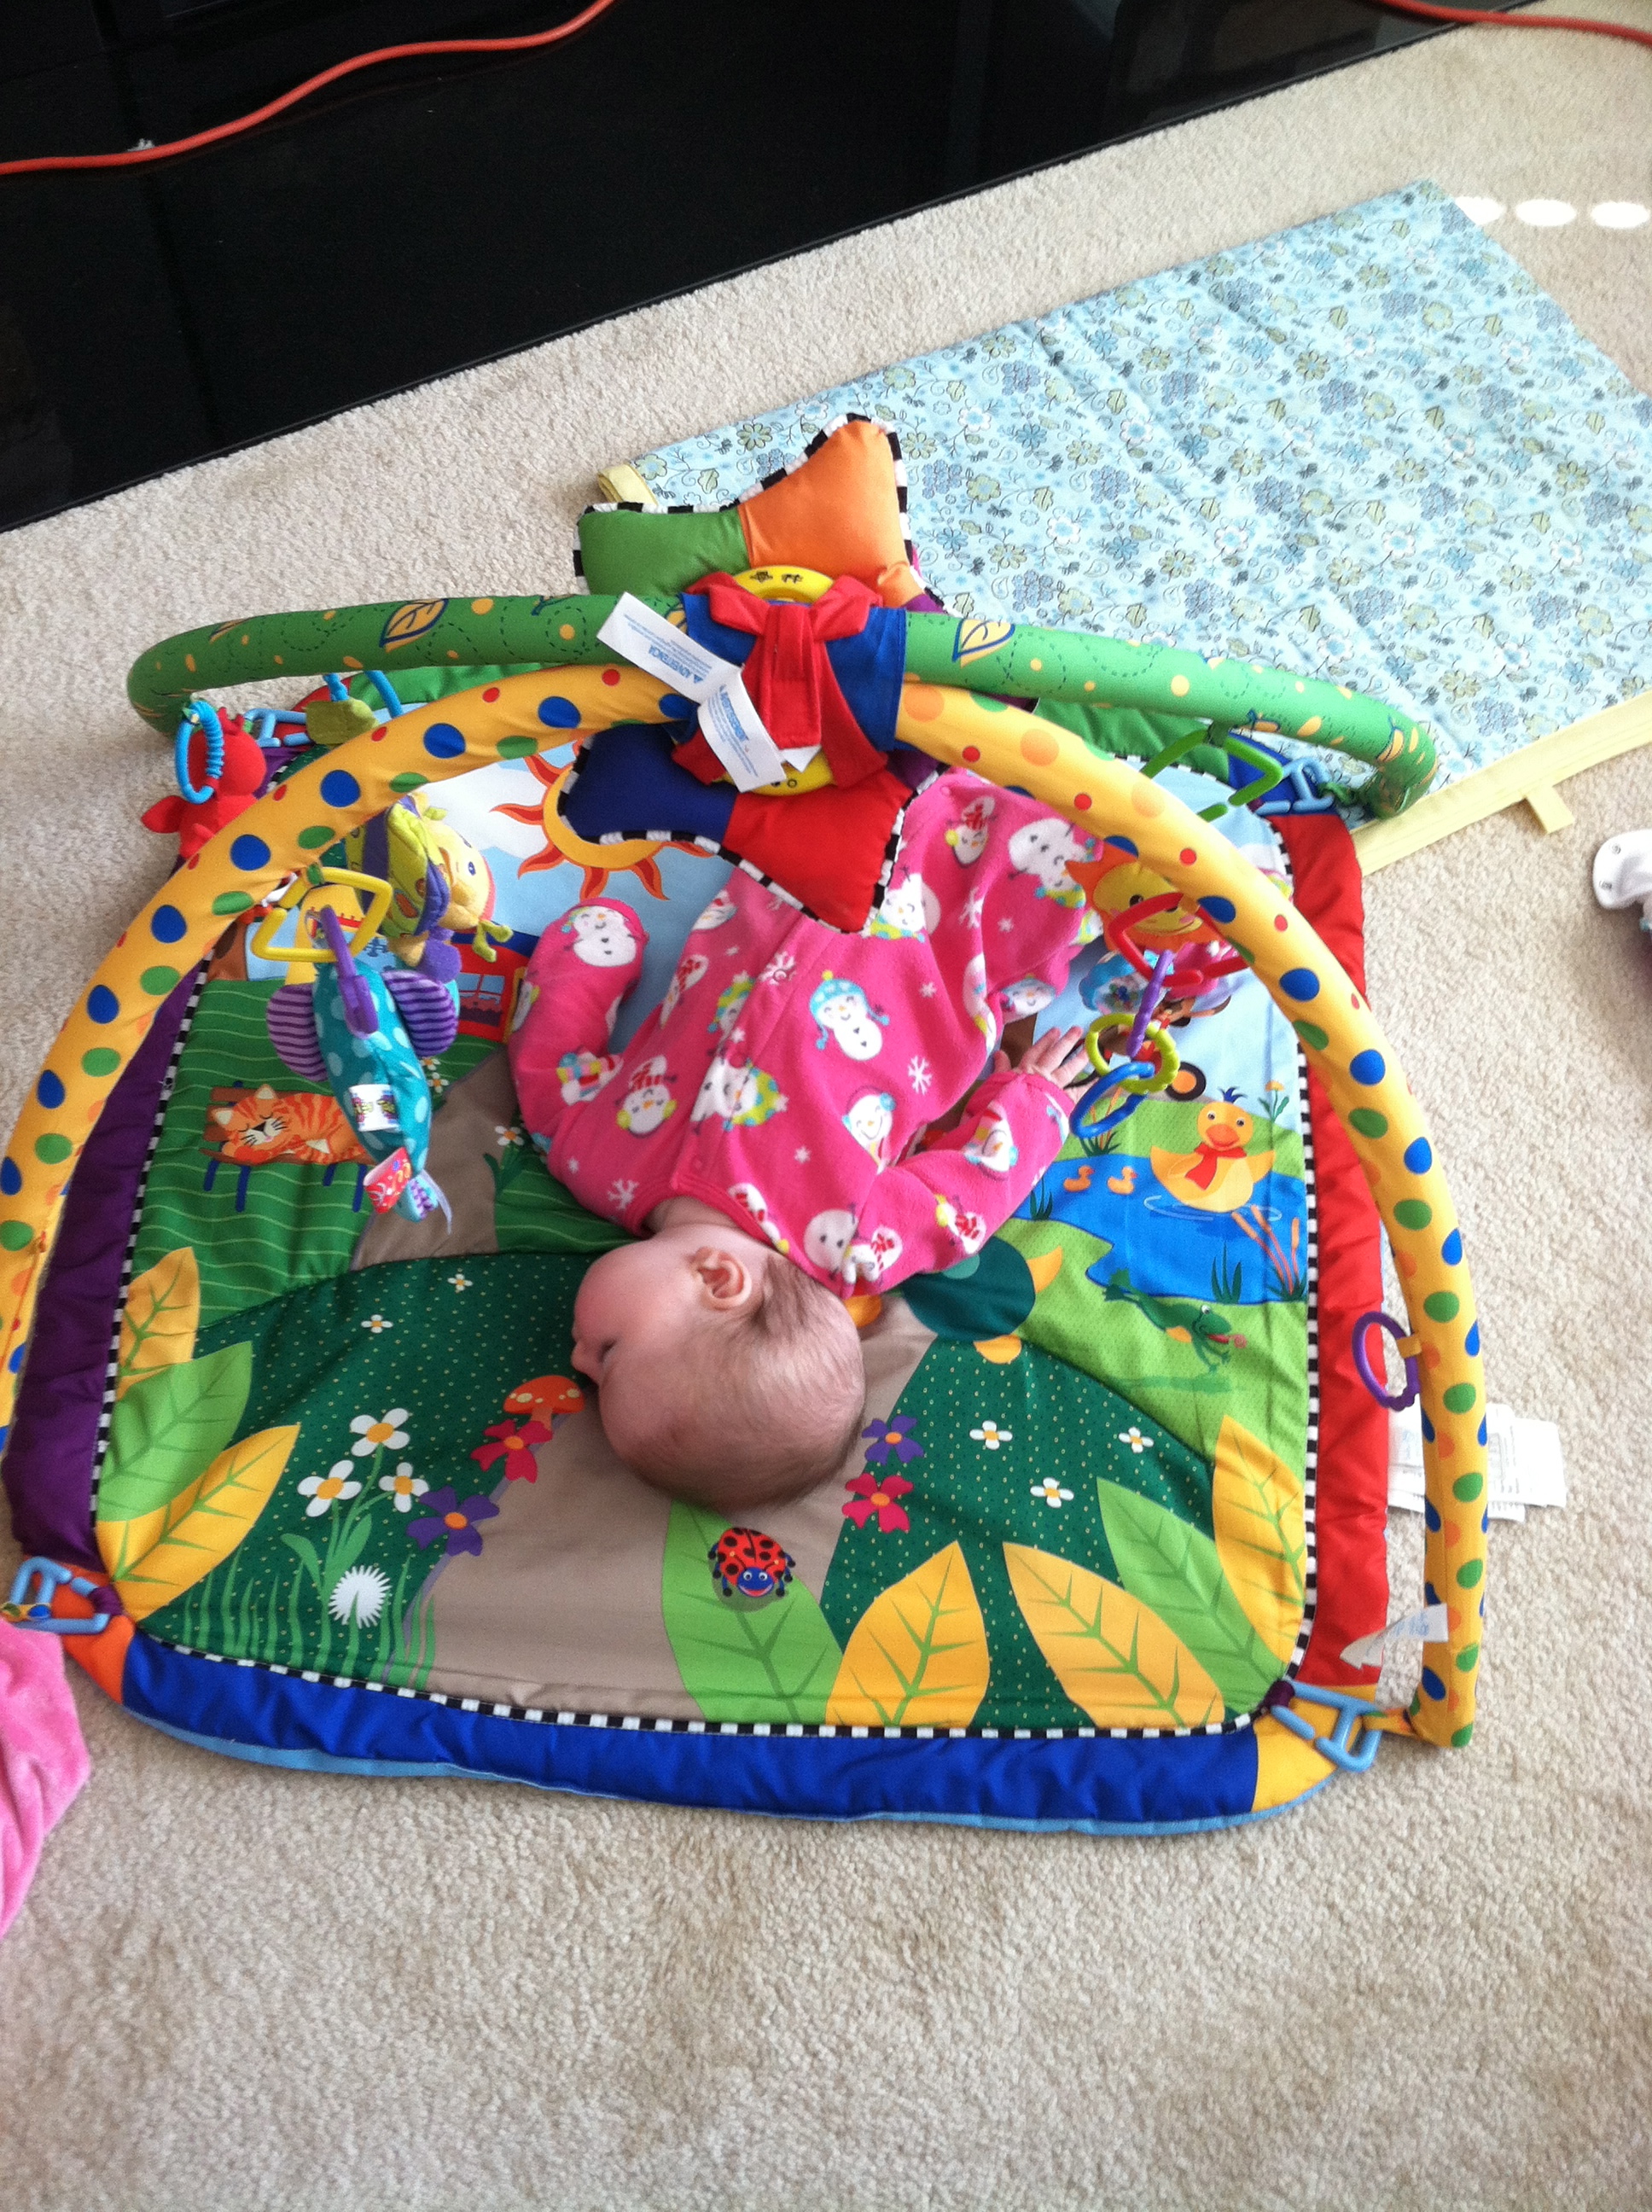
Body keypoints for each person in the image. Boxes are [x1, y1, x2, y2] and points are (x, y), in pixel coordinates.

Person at [508, 769, 1102, 1513]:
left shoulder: (593, 1161)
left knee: (856, 756)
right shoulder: (850, 1244)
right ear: (721, 1282)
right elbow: (969, 1197)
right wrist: (1036, 1101)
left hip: (808, 856)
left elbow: (549, 1067)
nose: (576, 1360)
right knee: (1085, 863)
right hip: (950, 939)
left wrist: (589, 947)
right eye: (608, 1358)